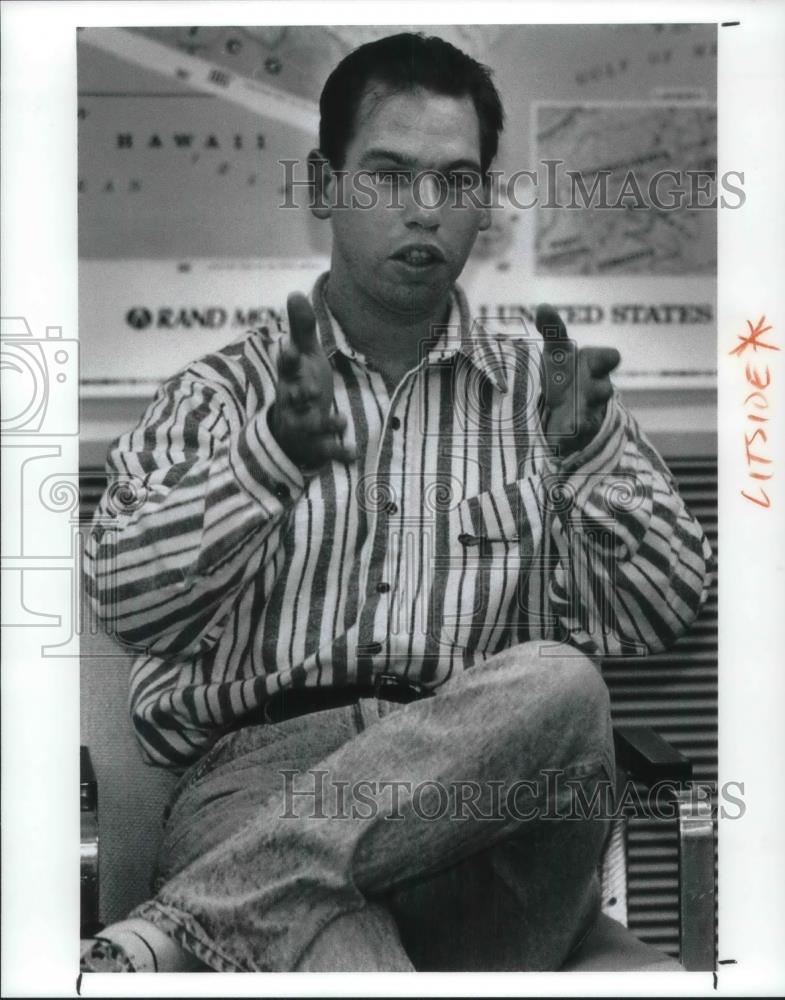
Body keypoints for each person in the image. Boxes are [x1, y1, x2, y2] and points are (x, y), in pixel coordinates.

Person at [81, 32, 713, 973]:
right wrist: (264, 463)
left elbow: (663, 614)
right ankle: (249, 895)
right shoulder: (223, 393)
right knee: (348, 959)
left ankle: (190, 919)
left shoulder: (545, 396)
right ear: (324, 184)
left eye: (456, 182)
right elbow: (126, 599)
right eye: (389, 175)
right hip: (263, 786)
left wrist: (586, 460)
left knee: (562, 682)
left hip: (489, 827)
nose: (426, 210)